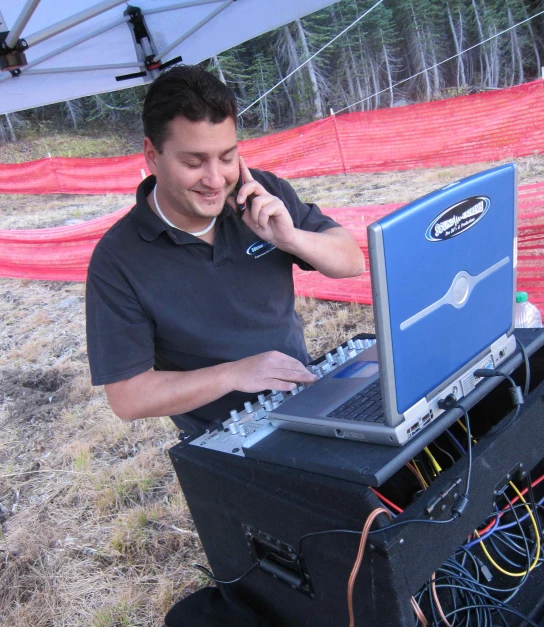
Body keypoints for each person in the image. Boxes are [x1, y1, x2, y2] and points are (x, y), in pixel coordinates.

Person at [86, 66, 365, 432]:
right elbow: (128, 396)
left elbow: (352, 261)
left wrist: (291, 239)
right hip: (223, 437)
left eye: (227, 157)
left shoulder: (261, 193)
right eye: (193, 162)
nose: (216, 180)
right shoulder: (118, 260)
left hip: (304, 399)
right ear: (152, 155)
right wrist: (235, 374)